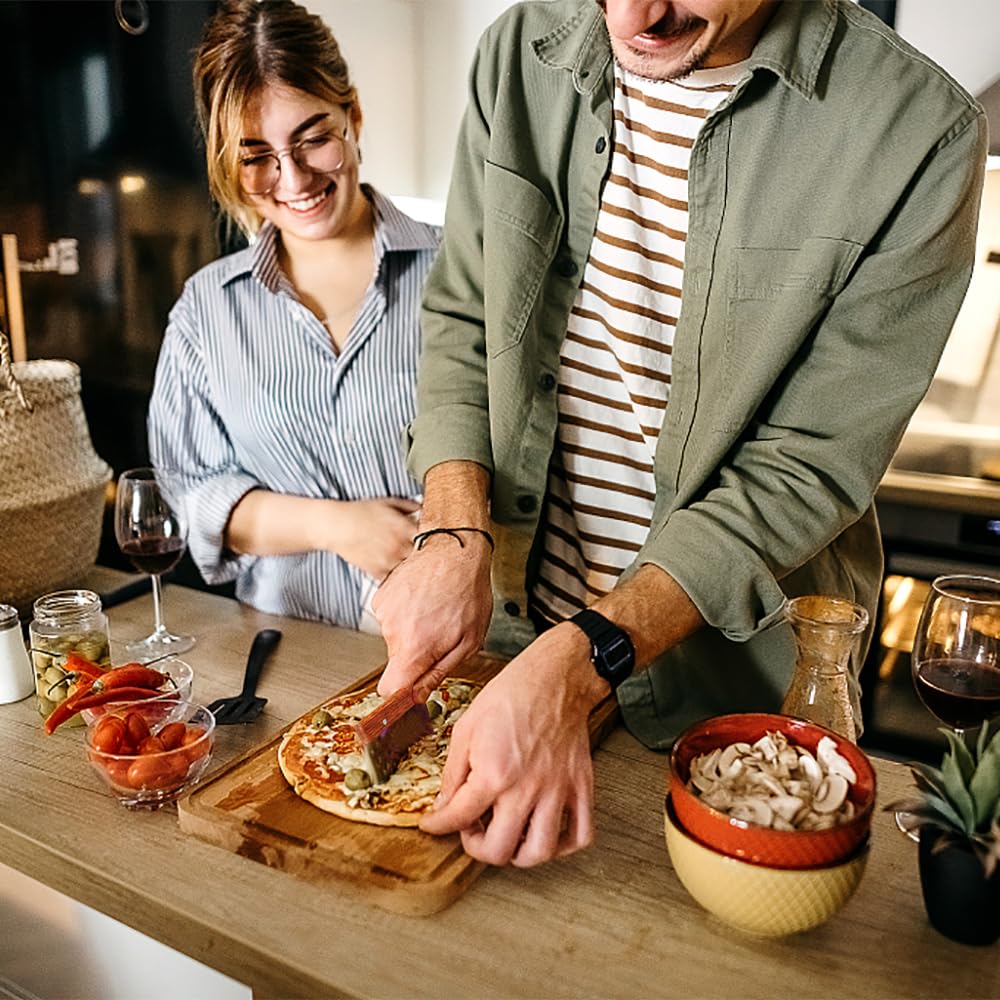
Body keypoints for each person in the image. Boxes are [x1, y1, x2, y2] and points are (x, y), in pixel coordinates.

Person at [372, 0, 988, 866]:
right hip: (513, 656)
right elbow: (464, 319)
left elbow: (804, 467)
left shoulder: (918, 133)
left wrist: (586, 657)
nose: (636, 16)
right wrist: (452, 527)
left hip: (730, 716)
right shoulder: (520, 50)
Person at [148, 0, 439, 628]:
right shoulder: (206, 313)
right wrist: (338, 526)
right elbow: (191, 494)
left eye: (313, 139)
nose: (294, 177)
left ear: (352, 117)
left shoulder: (458, 273)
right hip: (287, 654)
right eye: (257, 156)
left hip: (457, 646)